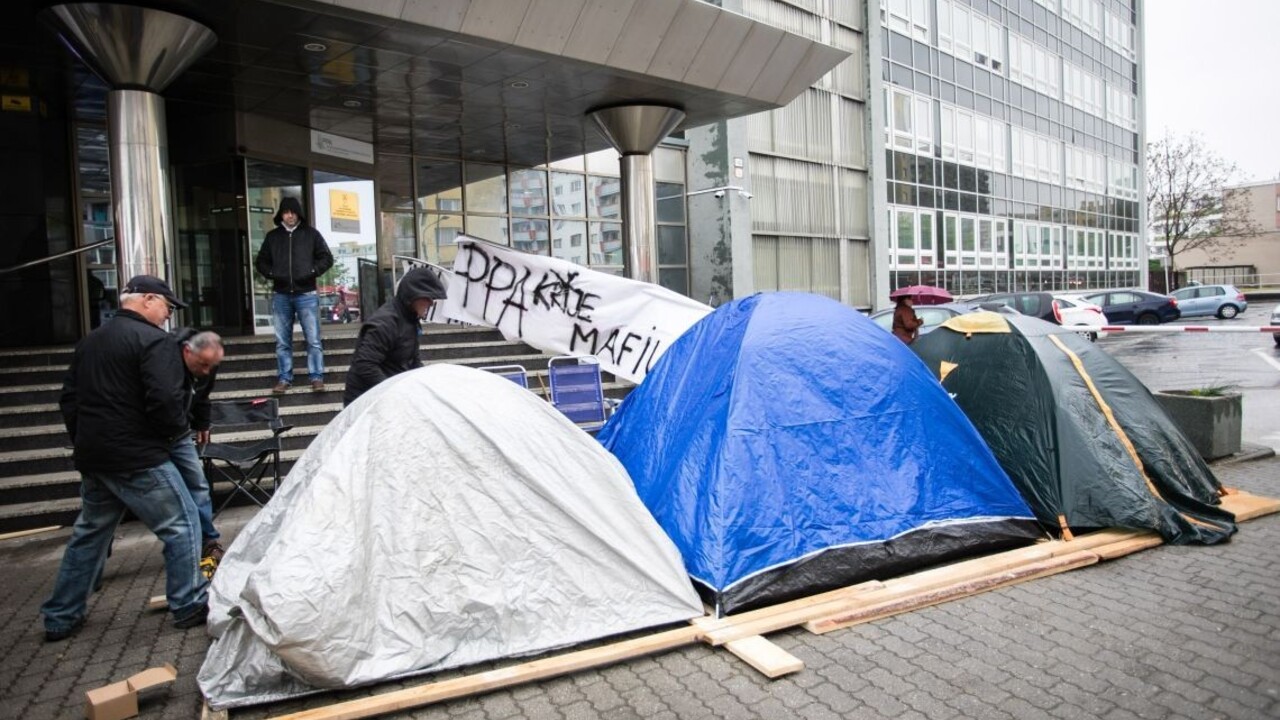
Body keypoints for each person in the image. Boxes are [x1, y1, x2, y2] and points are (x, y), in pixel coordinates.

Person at [42, 275, 208, 642]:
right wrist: (168, 438)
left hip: (96, 455)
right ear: (148, 300)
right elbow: (164, 400)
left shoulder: (90, 341)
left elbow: (68, 400)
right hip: (138, 456)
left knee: (90, 534)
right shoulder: (154, 342)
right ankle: (189, 603)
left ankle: (61, 616)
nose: (168, 316)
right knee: (183, 524)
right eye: (167, 306)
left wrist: (86, 440)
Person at [254, 196, 334, 394]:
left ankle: (316, 377)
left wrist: (312, 271)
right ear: (281, 214)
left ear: (298, 213)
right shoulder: (273, 237)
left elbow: (326, 258)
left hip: (306, 293)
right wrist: (272, 274)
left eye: (292, 212)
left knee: (313, 339)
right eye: (286, 212)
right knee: (282, 341)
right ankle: (284, 378)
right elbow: (261, 262)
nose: (289, 216)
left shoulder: (311, 235)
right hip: (281, 294)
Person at [342, 267, 447, 407]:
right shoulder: (385, 323)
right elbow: (365, 365)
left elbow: (413, 360)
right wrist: (392, 392)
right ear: (413, 295)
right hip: (366, 402)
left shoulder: (409, 318)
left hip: (387, 397)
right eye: (428, 298)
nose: (432, 303)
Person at [170, 329, 226, 579]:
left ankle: (209, 542)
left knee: (198, 484)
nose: (206, 371)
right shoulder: (165, 357)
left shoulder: (207, 366)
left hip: (180, 430)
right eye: (203, 364)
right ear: (187, 352)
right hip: (157, 432)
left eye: (211, 366)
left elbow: (203, 395)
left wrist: (202, 422)